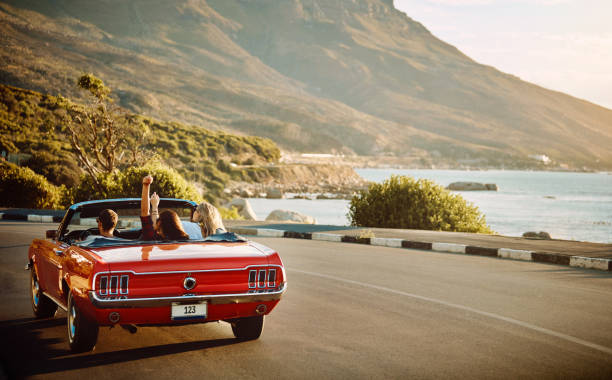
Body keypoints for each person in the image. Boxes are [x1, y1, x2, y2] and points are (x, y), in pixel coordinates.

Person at [140, 175, 189, 241]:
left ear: (159, 223)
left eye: (158, 220)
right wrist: (154, 207)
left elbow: (144, 211)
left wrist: (146, 185)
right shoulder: (185, 240)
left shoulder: (153, 239)